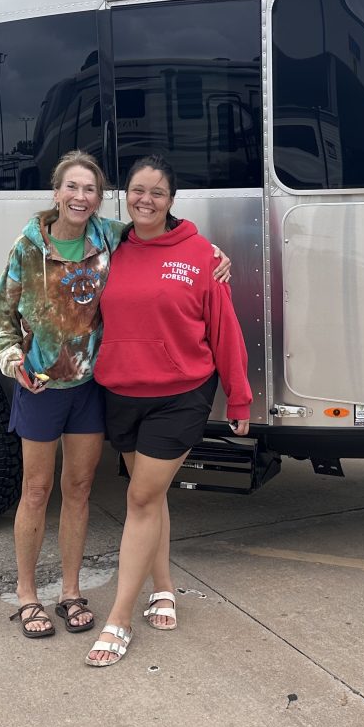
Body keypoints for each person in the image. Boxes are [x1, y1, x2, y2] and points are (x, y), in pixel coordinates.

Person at [0, 151, 231, 640]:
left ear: (100, 198)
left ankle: (70, 591)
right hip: (41, 386)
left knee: (79, 489)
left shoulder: (109, 236)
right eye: (72, 187)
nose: (80, 197)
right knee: (36, 490)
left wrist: (213, 255)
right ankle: (27, 594)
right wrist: (14, 362)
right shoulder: (28, 247)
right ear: (57, 192)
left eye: (90, 189)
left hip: (91, 388)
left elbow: (161, 233)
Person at [85, 155, 252, 667]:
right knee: (150, 498)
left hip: (181, 394)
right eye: (138, 190)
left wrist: (239, 395)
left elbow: (224, 329)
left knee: (139, 498)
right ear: (126, 195)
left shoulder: (201, 255)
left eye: (158, 192)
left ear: (172, 200)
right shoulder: (108, 248)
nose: (147, 200)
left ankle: (118, 618)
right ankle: (163, 587)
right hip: (121, 393)